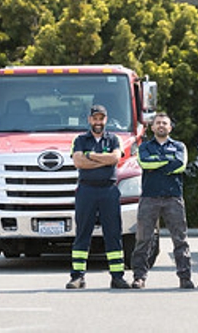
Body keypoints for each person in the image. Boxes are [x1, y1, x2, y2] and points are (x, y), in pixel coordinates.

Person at [65, 104, 130, 289]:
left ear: (106, 120)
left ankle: (117, 276)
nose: (98, 122)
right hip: (87, 190)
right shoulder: (79, 139)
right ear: (89, 120)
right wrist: (102, 159)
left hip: (108, 190)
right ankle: (77, 277)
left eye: (101, 118)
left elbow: (115, 159)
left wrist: (90, 157)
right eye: (95, 118)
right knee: (83, 233)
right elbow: (78, 162)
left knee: (113, 233)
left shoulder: (114, 139)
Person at [131, 112, 194, 289]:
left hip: (173, 197)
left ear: (170, 127)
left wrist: (157, 163)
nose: (161, 126)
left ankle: (185, 277)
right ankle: (139, 277)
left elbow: (180, 165)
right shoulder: (144, 147)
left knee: (180, 239)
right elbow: (144, 163)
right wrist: (167, 162)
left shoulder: (179, 146)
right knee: (143, 239)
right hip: (149, 197)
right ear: (152, 127)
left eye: (164, 123)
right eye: (158, 123)